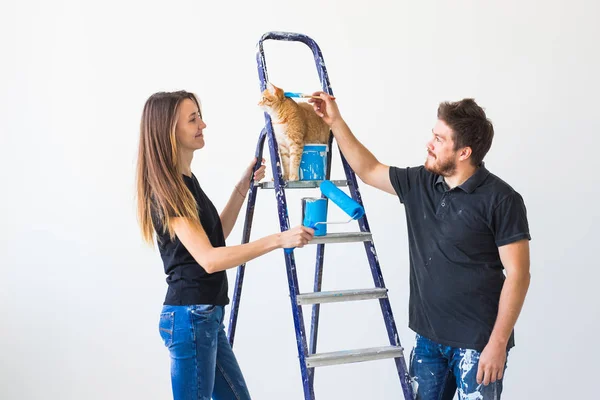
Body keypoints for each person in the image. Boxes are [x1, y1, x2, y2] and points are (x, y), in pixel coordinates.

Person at [309, 93, 531, 400]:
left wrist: (498, 343)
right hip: (428, 340)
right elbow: (369, 169)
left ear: (464, 151)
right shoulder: (421, 182)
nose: (429, 143)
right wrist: (335, 121)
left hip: (478, 344)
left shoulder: (502, 200)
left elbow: (519, 275)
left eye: (439, 139)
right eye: (433, 135)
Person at [136, 90, 314, 400]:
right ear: (169, 131)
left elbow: (215, 236)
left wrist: (242, 187)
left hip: (204, 316)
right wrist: (278, 239)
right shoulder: (167, 191)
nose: (202, 125)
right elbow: (209, 259)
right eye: (193, 119)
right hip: (190, 316)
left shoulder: (186, 181)